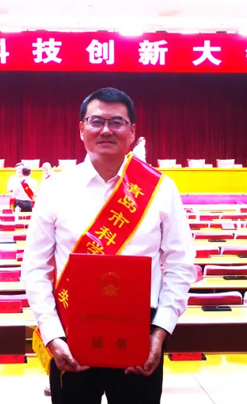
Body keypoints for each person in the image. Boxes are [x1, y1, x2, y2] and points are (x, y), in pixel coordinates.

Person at [22, 87, 196, 404]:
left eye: (116, 122)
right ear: (81, 129)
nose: (106, 130)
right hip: (70, 333)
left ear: (132, 132)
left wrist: (160, 333)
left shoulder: (160, 189)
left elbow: (181, 265)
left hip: (140, 338)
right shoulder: (55, 188)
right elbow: (34, 267)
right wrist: (52, 335)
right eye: (96, 121)